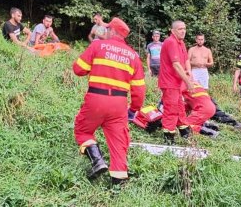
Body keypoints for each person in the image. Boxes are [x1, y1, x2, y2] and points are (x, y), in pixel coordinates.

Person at [72, 17, 146, 185]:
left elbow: (78, 69)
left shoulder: (97, 45)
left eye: (107, 29)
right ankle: (118, 182)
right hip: (119, 104)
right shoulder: (133, 56)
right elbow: (139, 90)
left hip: (96, 99)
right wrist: (134, 109)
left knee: (83, 131)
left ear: (112, 31)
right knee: (118, 143)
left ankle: (97, 161)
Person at [158, 20, 193, 145]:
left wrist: (189, 71)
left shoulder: (181, 43)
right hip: (169, 83)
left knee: (180, 109)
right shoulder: (171, 42)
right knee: (171, 110)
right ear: (172, 31)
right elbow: (176, 65)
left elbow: (186, 60)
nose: (183, 31)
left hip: (176, 83)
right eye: (180, 29)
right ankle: (169, 140)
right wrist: (188, 82)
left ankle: (186, 136)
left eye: (184, 28)